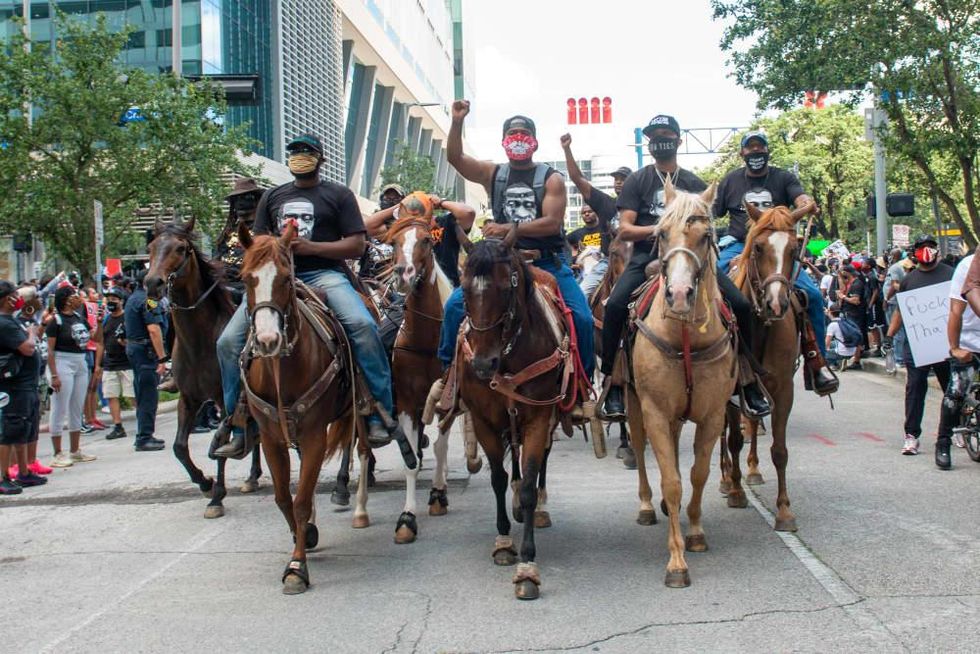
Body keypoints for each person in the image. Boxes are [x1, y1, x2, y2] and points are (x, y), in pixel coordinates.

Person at [213, 133, 413, 464]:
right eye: (293, 152)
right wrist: (275, 252)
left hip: (325, 275)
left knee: (363, 326)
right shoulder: (273, 197)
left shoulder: (338, 195)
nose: (299, 157)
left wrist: (311, 248)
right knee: (226, 342)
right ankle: (236, 421)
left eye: (306, 152)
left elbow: (356, 245)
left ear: (321, 158)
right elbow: (260, 243)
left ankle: (378, 411)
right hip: (277, 279)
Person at [598, 114, 769, 419]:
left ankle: (747, 379)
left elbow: (707, 229)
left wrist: (684, 238)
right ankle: (613, 382)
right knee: (614, 307)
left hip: (693, 260)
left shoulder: (694, 183)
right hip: (646, 257)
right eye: (654, 135)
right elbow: (624, 228)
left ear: (678, 140)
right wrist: (666, 230)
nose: (659, 139)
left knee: (742, 305)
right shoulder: (638, 180)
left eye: (665, 134)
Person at [437, 102, 594, 384]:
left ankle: (582, 382)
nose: (518, 138)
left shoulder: (551, 178)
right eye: (513, 133)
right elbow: (456, 158)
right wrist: (457, 121)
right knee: (452, 308)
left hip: (547, 262)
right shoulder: (493, 173)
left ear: (533, 141)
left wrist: (507, 228)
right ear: (503, 140)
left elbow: (552, 223)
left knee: (581, 317)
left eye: (523, 133)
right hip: (501, 263)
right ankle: (449, 375)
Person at [713, 129, 836, 395]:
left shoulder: (784, 177)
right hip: (737, 243)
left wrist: (806, 203)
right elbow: (714, 210)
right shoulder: (730, 181)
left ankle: (818, 363)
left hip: (776, 246)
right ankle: (709, 356)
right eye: (750, 148)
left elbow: (799, 197)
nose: (755, 152)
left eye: (760, 148)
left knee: (813, 295)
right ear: (742, 153)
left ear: (767, 152)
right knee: (709, 282)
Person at [886, 234, 953, 455]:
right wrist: (890, 334)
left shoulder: (950, 275)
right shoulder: (908, 280)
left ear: (936, 250)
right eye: (922, 247)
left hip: (946, 345)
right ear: (914, 253)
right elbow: (901, 311)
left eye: (930, 246)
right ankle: (912, 435)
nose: (927, 250)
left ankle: (957, 429)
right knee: (915, 390)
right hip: (917, 346)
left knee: (952, 391)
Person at [560, 132, 631, 298]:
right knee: (582, 296)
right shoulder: (607, 204)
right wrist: (567, 150)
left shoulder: (642, 208)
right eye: (616, 179)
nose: (619, 182)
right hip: (606, 263)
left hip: (635, 262)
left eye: (624, 178)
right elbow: (578, 179)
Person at [366, 191, 475, 288]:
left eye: (420, 205)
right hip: (408, 289)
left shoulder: (446, 223)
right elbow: (368, 226)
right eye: (412, 205)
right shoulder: (402, 229)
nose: (415, 208)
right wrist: (401, 204)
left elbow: (468, 213)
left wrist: (441, 203)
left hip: (449, 287)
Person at [934, 250, 980, 469]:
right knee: (957, 391)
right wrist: (955, 348)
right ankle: (943, 442)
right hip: (970, 338)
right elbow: (955, 311)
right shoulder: (967, 266)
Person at [0, 281, 46, 494]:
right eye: (14, 295)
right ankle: (3, 476)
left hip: (27, 384)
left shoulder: (12, 321)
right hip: (14, 386)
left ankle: (24, 472)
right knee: (11, 430)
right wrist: (31, 333)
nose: (18, 299)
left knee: (23, 430)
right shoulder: (5, 323)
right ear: (5, 299)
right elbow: (27, 348)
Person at [45, 285, 96, 467]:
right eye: (73, 295)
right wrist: (54, 375)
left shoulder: (78, 317)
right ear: (65, 299)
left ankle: (75, 450)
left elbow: (93, 336)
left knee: (77, 406)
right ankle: (57, 452)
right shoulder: (56, 321)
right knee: (59, 407)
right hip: (62, 361)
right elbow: (50, 350)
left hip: (80, 360)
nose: (77, 298)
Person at [123, 272, 167, 452]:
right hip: (146, 352)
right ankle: (144, 437)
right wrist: (162, 357)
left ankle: (144, 434)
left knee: (142, 394)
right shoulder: (149, 301)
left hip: (135, 350)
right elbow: (154, 330)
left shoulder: (133, 298)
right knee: (148, 395)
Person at [94, 286, 132, 441]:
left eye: (114, 299)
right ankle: (118, 425)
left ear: (121, 301)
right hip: (110, 363)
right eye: (108, 299)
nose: (111, 302)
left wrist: (125, 344)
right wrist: (98, 364)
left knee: (132, 396)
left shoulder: (127, 318)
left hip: (127, 363)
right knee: (111, 395)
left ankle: (144, 421)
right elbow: (99, 341)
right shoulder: (107, 319)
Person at [835, 265, 867, 370]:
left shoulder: (856, 284)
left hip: (854, 314)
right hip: (849, 313)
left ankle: (856, 360)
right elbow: (842, 287)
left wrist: (843, 297)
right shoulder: (851, 283)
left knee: (856, 336)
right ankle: (854, 358)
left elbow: (856, 300)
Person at [824, 305, 857, 371]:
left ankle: (836, 363)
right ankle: (843, 360)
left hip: (842, 352)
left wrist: (826, 352)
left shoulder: (832, 325)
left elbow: (826, 343)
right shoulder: (845, 320)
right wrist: (829, 314)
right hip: (853, 351)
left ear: (830, 312)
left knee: (821, 351)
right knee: (833, 344)